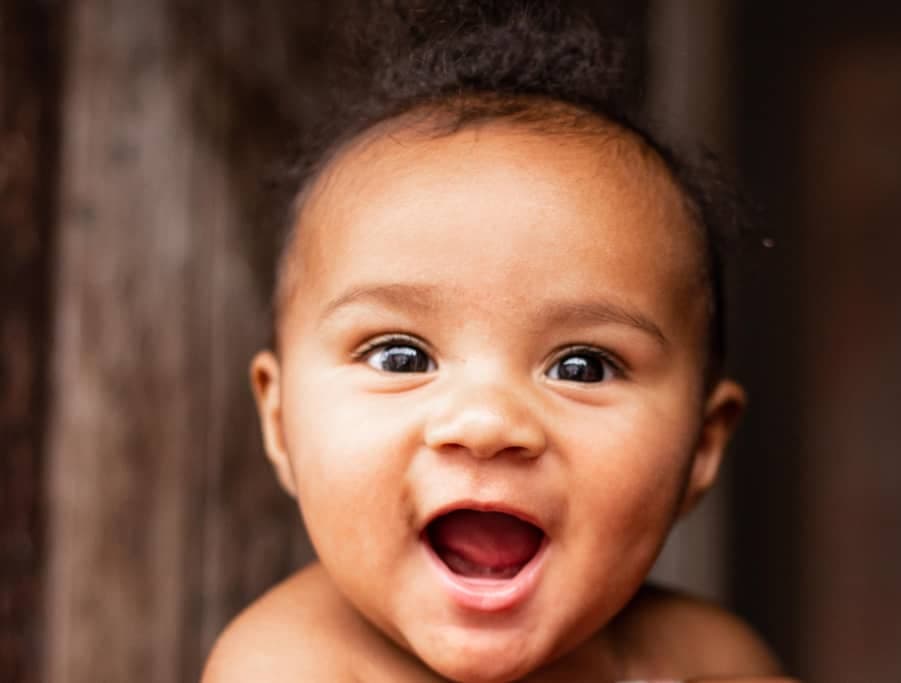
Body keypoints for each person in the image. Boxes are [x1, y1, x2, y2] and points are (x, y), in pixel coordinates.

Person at [202, 2, 793, 681]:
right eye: (402, 356)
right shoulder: (292, 665)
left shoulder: (705, 660)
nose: (487, 423)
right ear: (280, 423)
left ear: (701, 446)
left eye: (582, 366)